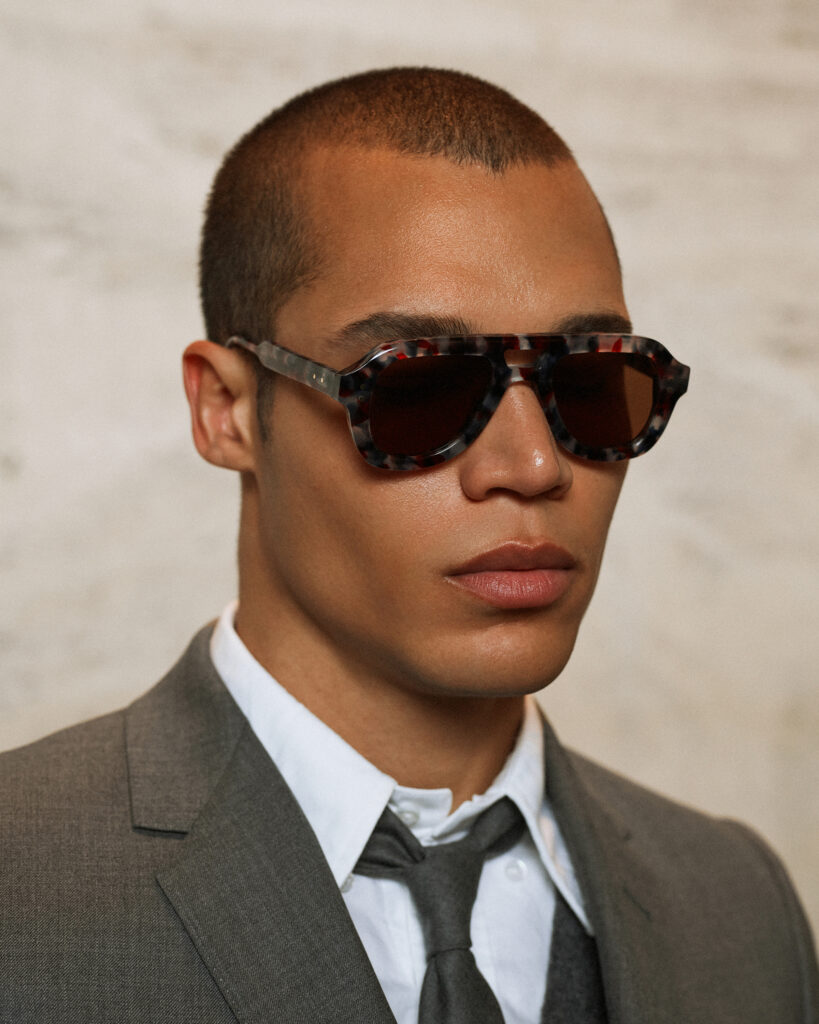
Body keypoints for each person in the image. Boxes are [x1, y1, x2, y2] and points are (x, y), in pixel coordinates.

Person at [1, 67, 816, 1024]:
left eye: (592, 383)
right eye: (419, 387)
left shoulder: (739, 907)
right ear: (227, 409)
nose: (533, 466)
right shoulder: (24, 884)